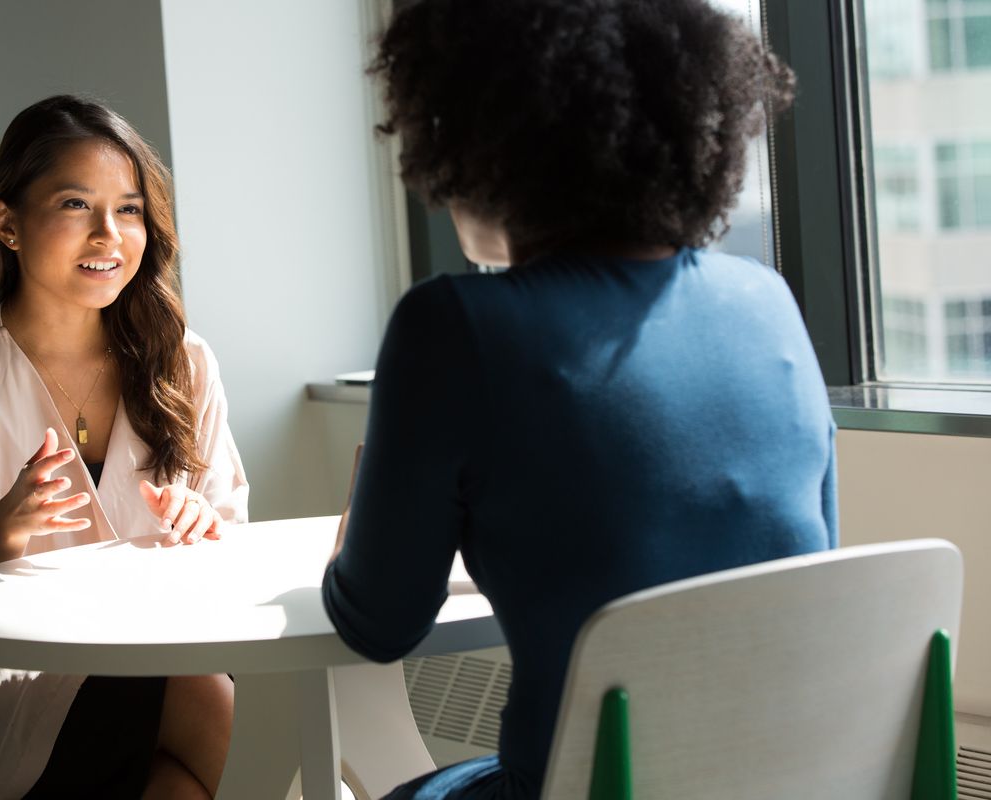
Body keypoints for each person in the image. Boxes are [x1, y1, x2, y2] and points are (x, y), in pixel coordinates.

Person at [322, 1, 835, 798]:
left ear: (478, 136)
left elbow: (378, 625)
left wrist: (362, 526)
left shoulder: (455, 326)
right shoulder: (768, 303)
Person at [0, 95, 247, 799]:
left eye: (129, 209)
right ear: (7, 223)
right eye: (75, 205)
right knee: (209, 702)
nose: (109, 235)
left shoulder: (184, 363)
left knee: (184, 771)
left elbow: (232, 552)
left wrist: (204, 526)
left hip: (165, 653)